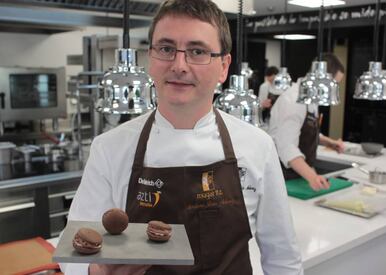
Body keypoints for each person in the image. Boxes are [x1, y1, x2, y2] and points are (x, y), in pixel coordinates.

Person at [61, 0, 303, 274]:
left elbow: (283, 257)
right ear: (151, 58)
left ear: (224, 66)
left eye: (197, 51)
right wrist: (97, 272)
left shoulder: (258, 146)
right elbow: (71, 251)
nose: (179, 65)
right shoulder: (110, 148)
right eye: (166, 49)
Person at [268, 53, 345, 191]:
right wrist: (312, 176)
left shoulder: (310, 97)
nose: (334, 90)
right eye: (335, 84)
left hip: (298, 173)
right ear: (322, 79)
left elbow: (305, 131)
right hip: (283, 176)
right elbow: (287, 147)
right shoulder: (293, 100)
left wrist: (329, 143)